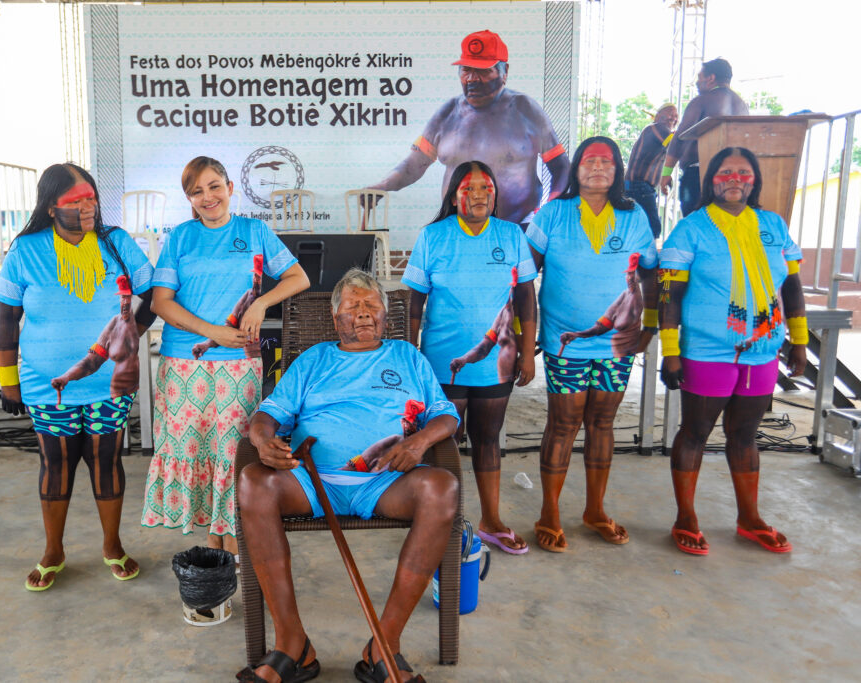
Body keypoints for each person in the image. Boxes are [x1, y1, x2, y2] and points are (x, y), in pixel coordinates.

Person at [237, 269, 459, 683]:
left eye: (371, 304)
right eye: (352, 305)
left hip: (386, 481)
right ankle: (292, 645)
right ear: (335, 316)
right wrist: (262, 439)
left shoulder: (408, 357)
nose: (363, 312)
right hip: (310, 479)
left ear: (385, 316)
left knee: (442, 488)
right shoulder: (313, 359)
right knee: (253, 481)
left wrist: (420, 442)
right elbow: (268, 414)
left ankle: (384, 645)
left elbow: (445, 415)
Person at [0, 163, 156, 591]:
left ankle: (112, 546)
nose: (88, 206)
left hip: (109, 386)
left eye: (92, 198)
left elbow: (154, 295)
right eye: (75, 200)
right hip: (47, 387)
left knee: (107, 462)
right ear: (50, 207)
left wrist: (130, 335)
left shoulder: (116, 243)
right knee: (56, 464)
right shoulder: (26, 250)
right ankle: (53, 551)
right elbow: (6, 320)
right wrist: (8, 382)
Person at [141, 157, 309, 558]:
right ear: (189, 198)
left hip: (239, 364)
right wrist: (212, 332)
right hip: (183, 364)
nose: (207, 197)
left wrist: (262, 303)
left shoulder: (254, 231)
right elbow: (161, 302)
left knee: (234, 452)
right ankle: (214, 542)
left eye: (214, 186)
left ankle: (231, 540)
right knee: (192, 449)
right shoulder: (180, 237)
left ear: (231, 188)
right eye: (196, 191)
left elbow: (298, 277)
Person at [658, 147, 806, 556]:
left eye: (743, 172)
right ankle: (685, 518)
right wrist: (670, 351)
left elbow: (792, 285)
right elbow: (670, 294)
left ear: (754, 180)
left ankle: (750, 519)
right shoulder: (691, 229)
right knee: (695, 432)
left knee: (744, 435)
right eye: (725, 172)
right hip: (707, 352)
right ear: (711, 180)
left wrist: (799, 340)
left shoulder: (773, 225)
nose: (734, 179)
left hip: (763, 353)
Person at [525, 136, 659, 552]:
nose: (598, 167)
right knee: (563, 424)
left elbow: (651, 273)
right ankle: (549, 512)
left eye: (606, 161)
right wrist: (524, 332)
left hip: (617, 344)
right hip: (565, 343)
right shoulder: (553, 213)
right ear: (575, 169)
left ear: (617, 170)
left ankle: (595, 511)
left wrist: (650, 325)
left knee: (603, 423)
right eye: (589, 160)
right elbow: (524, 276)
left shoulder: (634, 215)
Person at [401, 160, 537, 555]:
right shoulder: (433, 236)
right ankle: (437, 523)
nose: (478, 195)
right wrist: (410, 357)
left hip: (497, 361)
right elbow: (414, 304)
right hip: (442, 361)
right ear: (453, 196)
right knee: (444, 441)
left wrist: (528, 352)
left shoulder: (511, 235)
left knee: (488, 438)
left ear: (495, 194)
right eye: (468, 188)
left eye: (486, 188)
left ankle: (491, 521)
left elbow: (526, 298)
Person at [368, 29, 570, 228]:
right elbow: (414, 164)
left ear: (505, 72)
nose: (472, 78)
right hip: (459, 231)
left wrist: (549, 210)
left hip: (519, 229)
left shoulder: (526, 110)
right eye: (466, 69)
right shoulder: (446, 114)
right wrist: (383, 186)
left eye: (483, 70)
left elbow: (561, 166)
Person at [660, 58, 749, 217]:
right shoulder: (742, 106)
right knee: (724, 224)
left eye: (699, 77)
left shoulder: (702, 101)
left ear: (711, 78)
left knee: (697, 225)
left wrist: (666, 172)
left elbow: (679, 138)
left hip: (700, 175)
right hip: (734, 179)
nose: (697, 82)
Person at [625, 103, 679, 237]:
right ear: (658, 116)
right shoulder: (657, 127)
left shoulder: (656, 133)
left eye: (676, 116)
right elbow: (675, 145)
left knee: (641, 227)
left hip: (639, 187)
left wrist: (664, 176)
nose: (673, 118)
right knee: (652, 228)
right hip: (639, 186)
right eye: (670, 113)